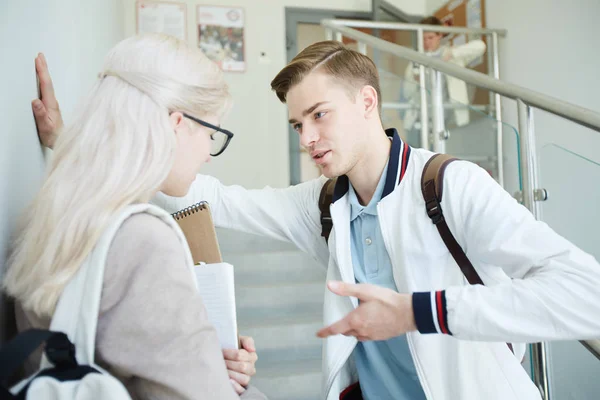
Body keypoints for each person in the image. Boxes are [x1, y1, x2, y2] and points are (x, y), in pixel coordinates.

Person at [34, 40, 600, 400]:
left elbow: (586, 294)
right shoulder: (325, 204)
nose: (307, 139)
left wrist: (418, 311)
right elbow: (210, 194)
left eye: (320, 115)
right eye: (297, 124)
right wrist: (75, 145)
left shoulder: (450, 186)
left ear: (368, 103)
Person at [4, 36, 265, 400]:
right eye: (212, 133)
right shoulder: (143, 240)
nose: (209, 153)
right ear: (177, 123)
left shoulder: (51, 213)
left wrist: (198, 357)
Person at [402, 16, 487, 146]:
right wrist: (415, 81)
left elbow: (480, 46)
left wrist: (453, 54)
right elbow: (406, 93)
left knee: (448, 159)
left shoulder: (453, 55)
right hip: (422, 119)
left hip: (450, 118)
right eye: (423, 38)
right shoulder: (415, 60)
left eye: (430, 37)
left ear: (439, 35)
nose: (426, 42)